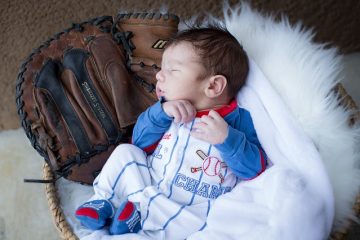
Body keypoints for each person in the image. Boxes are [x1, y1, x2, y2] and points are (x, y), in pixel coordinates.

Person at [75, 25, 267, 239]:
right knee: (126, 152)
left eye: (172, 70)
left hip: (187, 206)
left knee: (196, 220)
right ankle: (105, 202)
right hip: (148, 182)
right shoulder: (166, 110)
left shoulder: (237, 122)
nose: (159, 75)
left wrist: (227, 140)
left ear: (213, 87)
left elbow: (254, 170)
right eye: (161, 68)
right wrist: (160, 113)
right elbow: (139, 143)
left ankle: (137, 218)